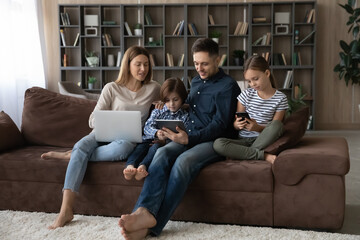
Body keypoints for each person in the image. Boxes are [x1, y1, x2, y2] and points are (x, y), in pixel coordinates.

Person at [118, 38, 241, 240]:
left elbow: (219, 125)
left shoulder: (228, 86)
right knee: (162, 152)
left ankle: (153, 225)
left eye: (204, 63)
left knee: (183, 162)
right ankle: (143, 212)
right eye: (196, 63)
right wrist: (166, 105)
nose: (199, 68)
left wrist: (188, 139)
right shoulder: (196, 81)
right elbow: (189, 106)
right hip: (187, 133)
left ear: (217, 60)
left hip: (213, 140)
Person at [47, 46, 161, 229]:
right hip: (101, 133)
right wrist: (107, 120)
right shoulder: (112, 88)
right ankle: (65, 210)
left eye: (146, 64)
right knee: (82, 144)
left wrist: (166, 103)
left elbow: (174, 99)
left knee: (121, 149)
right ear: (128, 65)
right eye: (138, 64)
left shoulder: (154, 88)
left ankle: (74, 155)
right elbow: (92, 119)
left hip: (126, 140)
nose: (143, 69)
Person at [213, 55, 288, 164]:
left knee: (277, 125)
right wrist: (237, 125)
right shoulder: (246, 95)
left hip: (264, 139)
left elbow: (274, 128)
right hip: (243, 140)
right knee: (218, 144)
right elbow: (236, 123)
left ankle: (244, 154)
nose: (252, 84)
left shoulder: (280, 98)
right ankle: (261, 155)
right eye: (249, 81)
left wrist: (257, 128)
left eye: (255, 79)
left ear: (267, 73)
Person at [123, 77, 189, 181]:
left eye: (175, 100)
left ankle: (142, 167)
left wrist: (165, 139)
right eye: (167, 100)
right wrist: (156, 132)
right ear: (163, 99)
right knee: (139, 149)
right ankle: (130, 167)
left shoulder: (184, 116)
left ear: (182, 98)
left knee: (155, 149)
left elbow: (183, 135)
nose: (171, 104)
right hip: (149, 139)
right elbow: (147, 127)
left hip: (162, 144)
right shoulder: (158, 111)